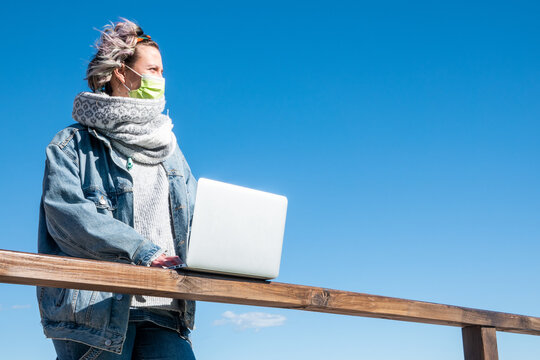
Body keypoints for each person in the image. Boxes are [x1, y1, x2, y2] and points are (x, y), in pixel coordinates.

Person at [36, 18, 197, 360]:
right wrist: (142, 251)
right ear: (123, 73)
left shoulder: (170, 150)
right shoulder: (70, 144)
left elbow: (197, 217)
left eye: (162, 70)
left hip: (164, 309)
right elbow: (67, 216)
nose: (161, 79)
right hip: (97, 312)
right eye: (153, 69)